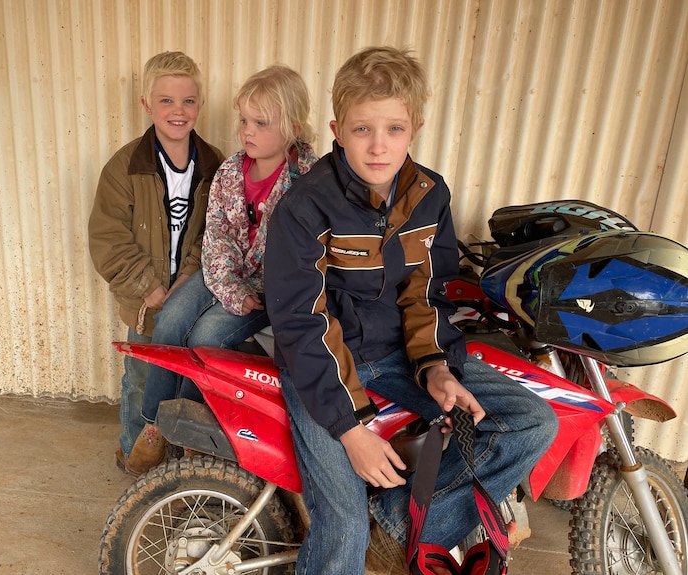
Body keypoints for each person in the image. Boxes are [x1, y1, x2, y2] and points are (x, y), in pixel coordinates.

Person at [264, 46, 559, 573]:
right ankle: (372, 529)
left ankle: (404, 522)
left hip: (402, 355)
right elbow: (300, 325)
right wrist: (352, 431)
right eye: (362, 130)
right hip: (325, 368)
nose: (379, 146)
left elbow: (428, 292)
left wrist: (437, 367)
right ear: (337, 128)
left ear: (415, 128)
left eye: (394, 129)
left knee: (530, 422)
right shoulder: (304, 207)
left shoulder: (429, 195)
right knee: (344, 527)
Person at [126, 65, 319, 475]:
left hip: (274, 290)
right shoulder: (231, 172)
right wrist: (230, 288)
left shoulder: (309, 180)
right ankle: (156, 425)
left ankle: (194, 432)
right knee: (172, 318)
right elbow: (217, 239)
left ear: (292, 128)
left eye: (261, 123)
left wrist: (250, 294)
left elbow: (305, 256)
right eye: (244, 120)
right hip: (225, 273)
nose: (247, 131)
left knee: (208, 336)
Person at [88, 51, 225, 471]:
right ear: (147, 105)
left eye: (187, 101)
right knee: (142, 381)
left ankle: (179, 466)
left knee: (189, 385)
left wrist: (187, 279)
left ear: (200, 105)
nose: (177, 111)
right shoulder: (123, 168)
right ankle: (135, 458)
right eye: (166, 101)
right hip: (145, 303)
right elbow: (108, 239)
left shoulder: (217, 166)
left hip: (192, 301)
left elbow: (217, 233)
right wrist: (150, 287)